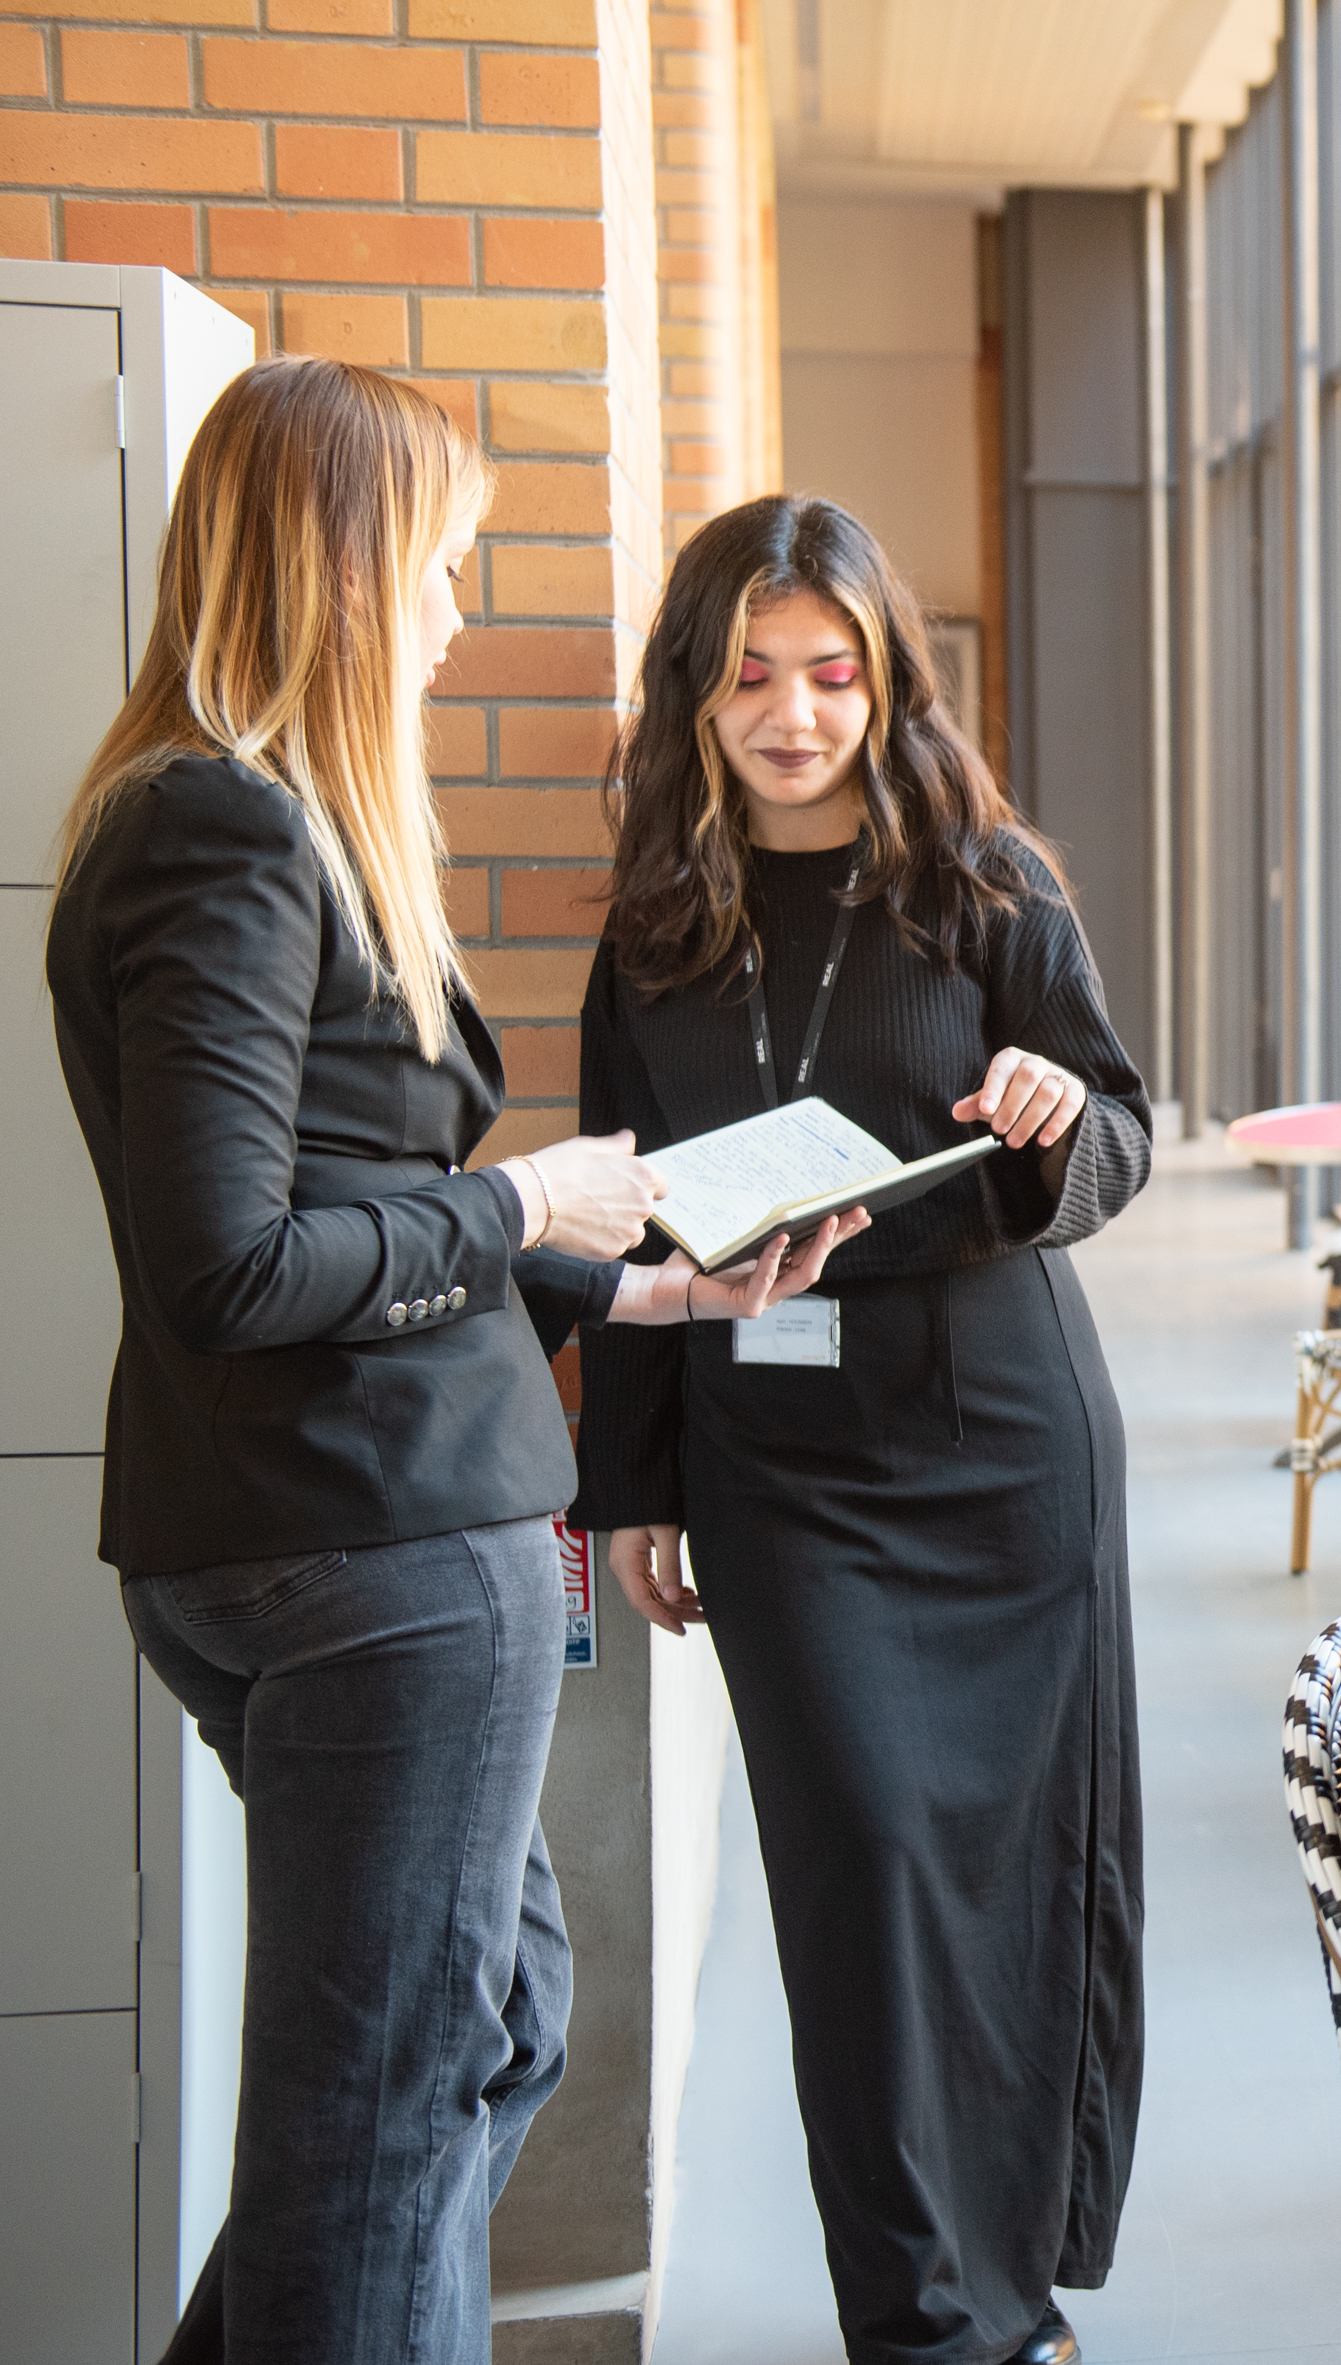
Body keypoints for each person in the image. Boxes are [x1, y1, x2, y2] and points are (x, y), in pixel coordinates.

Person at [45, 356, 851, 2365]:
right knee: (384, 2130)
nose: (456, 610)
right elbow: (233, 1262)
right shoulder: (224, 833)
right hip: (367, 1548)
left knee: (473, 2043)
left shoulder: (247, 823)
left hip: (339, 1526)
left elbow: (343, 1196)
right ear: (345, 565)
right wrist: (520, 1205)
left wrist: (644, 1286)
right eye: (447, 564)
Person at [574, 494, 1155, 2365]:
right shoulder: (657, 922)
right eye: (751, 676)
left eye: (831, 672)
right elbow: (622, 1207)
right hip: (780, 1467)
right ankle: (922, 2321)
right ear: (695, 692)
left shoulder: (984, 882)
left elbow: (1120, 1134)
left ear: (884, 678)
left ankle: (1011, 2296)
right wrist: (631, 1482)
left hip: (999, 1436)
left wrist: (1055, 1118)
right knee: (861, 1877)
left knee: (1010, 1869)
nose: (795, 713)